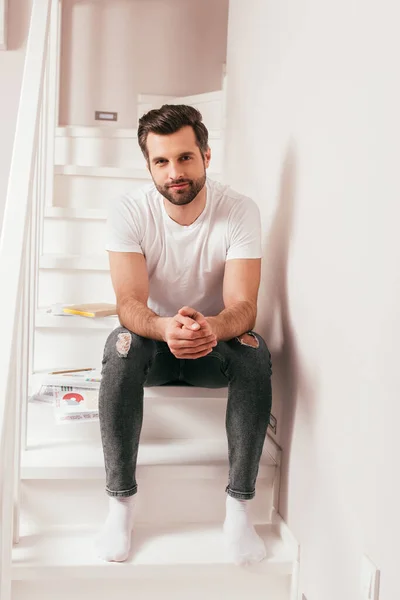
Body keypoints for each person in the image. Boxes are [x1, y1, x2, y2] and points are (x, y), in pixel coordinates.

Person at [95, 104, 273, 566]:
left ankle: (239, 509)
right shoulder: (129, 211)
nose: (174, 172)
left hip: (213, 347)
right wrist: (163, 326)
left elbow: (244, 307)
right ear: (149, 166)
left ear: (207, 157)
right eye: (161, 161)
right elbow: (128, 300)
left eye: (185, 158)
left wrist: (210, 327)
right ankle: (120, 504)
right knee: (120, 344)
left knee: (255, 352)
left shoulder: (239, 211)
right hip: (154, 348)